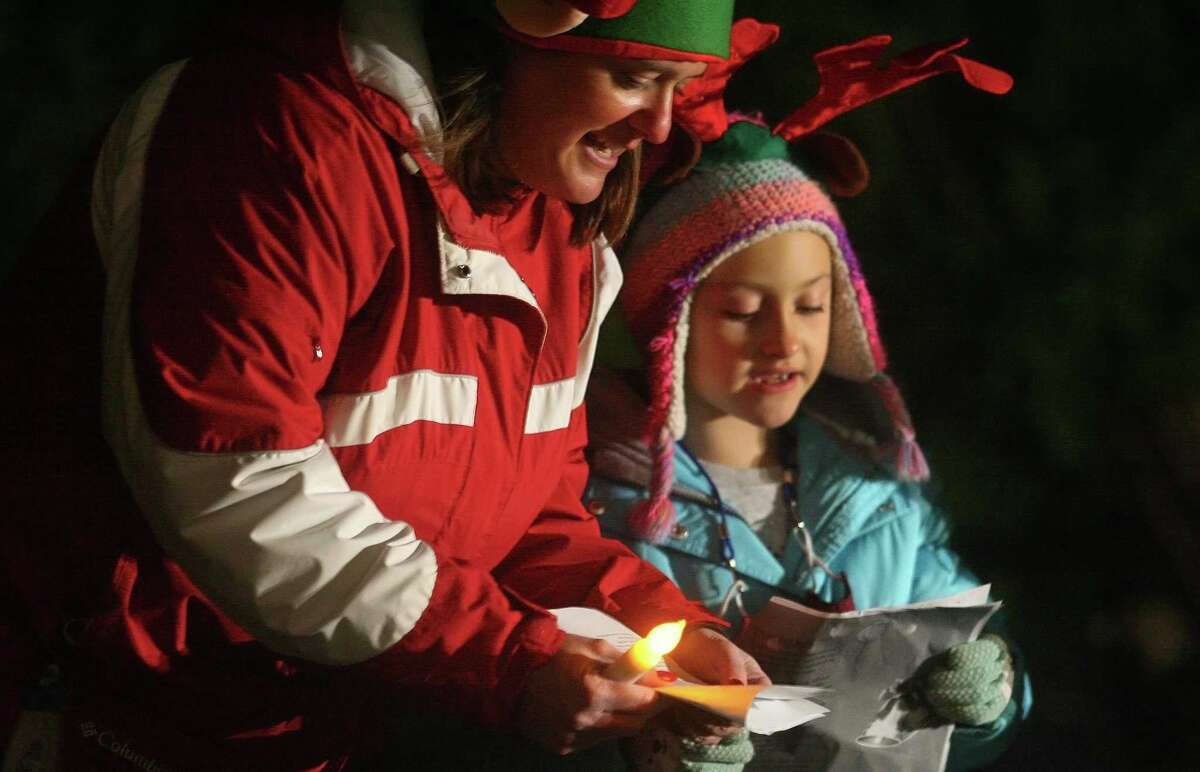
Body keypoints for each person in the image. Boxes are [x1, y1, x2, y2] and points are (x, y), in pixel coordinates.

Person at [0, 0, 772, 768]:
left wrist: (660, 629)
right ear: (508, 36)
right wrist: (506, 660)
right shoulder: (272, 136)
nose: (662, 127)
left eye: (682, 88)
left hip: (299, 732)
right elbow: (233, 476)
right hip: (99, 709)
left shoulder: (557, 230)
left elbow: (528, 514)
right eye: (635, 77)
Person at [583, 105, 1033, 768]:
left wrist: (994, 688)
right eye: (742, 310)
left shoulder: (879, 492)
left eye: (813, 304)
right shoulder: (597, 507)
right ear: (669, 320)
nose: (784, 340)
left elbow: (964, 676)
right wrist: (665, 747)